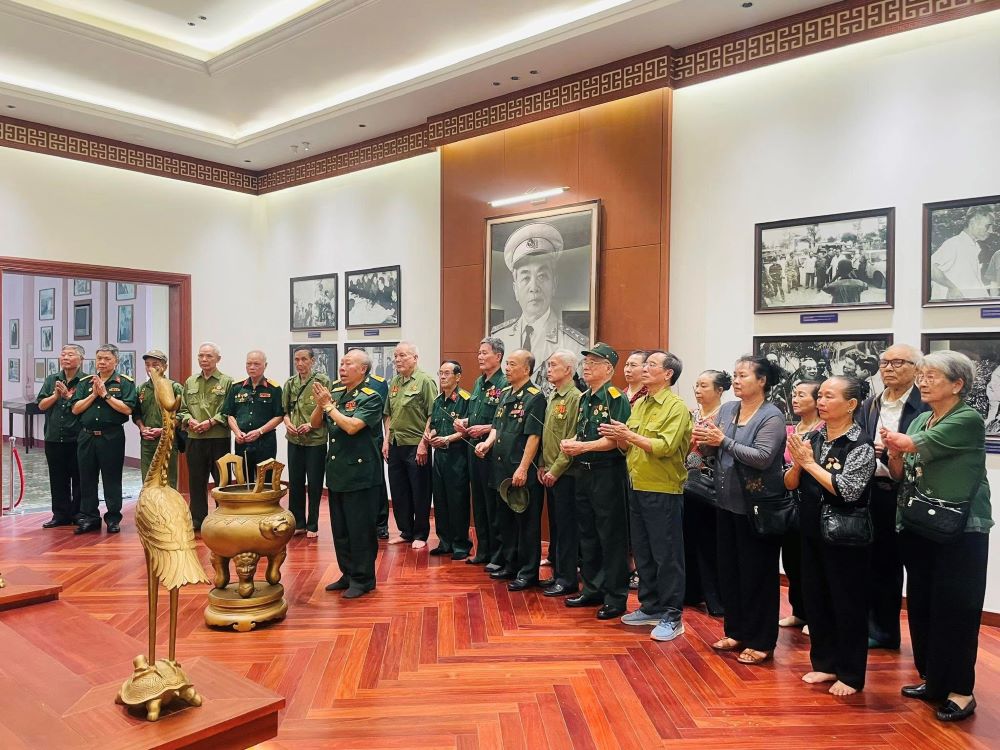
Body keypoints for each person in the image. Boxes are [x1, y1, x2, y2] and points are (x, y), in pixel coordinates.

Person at [881, 350, 993, 722]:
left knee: (957, 610)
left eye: (932, 376)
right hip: (920, 524)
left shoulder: (967, 418)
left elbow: (911, 447)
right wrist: (894, 454)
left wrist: (896, 443)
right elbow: (900, 470)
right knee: (924, 605)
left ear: (957, 384)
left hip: (961, 528)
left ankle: (961, 691)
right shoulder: (921, 420)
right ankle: (933, 680)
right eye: (923, 375)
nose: (923, 381)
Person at [692, 355, 786, 665]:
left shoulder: (771, 415)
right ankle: (735, 630)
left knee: (757, 576)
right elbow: (713, 450)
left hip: (756, 508)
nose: (736, 380)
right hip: (725, 503)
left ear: (762, 381)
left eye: (743, 375)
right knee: (730, 571)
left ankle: (761, 640)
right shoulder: (729, 409)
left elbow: (761, 456)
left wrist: (722, 441)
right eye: (734, 374)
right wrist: (704, 441)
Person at [785, 377, 875, 696]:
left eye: (829, 396)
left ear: (851, 405)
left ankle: (850, 675)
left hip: (845, 537)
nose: (820, 401)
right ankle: (824, 664)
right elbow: (791, 484)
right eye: (819, 395)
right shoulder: (813, 437)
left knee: (847, 604)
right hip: (810, 531)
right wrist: (798, 463)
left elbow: (848, 490)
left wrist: (808, 463)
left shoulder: (860, 444)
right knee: (816, 599)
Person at [601, 351, 692, 641]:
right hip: (636, 484)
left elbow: (664, 446)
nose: (645, 368)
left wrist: (629, 436)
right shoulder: (639, 404)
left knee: (667, 555)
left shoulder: (676, 407)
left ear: (668, 374)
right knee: (643, 551)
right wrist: (618, 436)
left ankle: (672, 615)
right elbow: (629, 447)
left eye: (652, 364)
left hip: (662, 488)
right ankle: (650, 605)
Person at [856, 344, 926, 650]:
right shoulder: (872, 403)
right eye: (885, 363)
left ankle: (912, 639)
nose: (889, 368)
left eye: (898, 362)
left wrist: (895, 452)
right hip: (873, 491)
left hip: (908, 493)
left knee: (909, 564)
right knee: (877, 564)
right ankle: (881, 630)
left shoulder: (923, 404)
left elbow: (927, 446)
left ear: (915, 368)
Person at [559, 343, 631, 620]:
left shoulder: (615, 398)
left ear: (608, 369)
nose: (586, 366)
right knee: (587, 534)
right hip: (583, 472)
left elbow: (615, 440)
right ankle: (592, 588)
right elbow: (585, 433)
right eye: (585, 361)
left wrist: (583, 447)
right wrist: (573, 443)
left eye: (594, 362)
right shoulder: (586, 398)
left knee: (611, 536)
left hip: (607, 473)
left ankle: (615, 596)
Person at [310, 350, 384, 599]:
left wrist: (328, 406)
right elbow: (315, 424)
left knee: (360, 529)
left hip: (362, 473)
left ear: (362, 370)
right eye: (341, 363)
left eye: (348, 364)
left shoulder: (371, 397)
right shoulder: (336, 392)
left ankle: (364, 579)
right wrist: (322, 406)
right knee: (340, 529)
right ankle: (348, 573)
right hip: (338, 472)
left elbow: (352, 427)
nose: (342, 367)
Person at [474, 349, 546, 589]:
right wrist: (487, 443)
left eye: (512, 364)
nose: (507, 368)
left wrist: (524, 468)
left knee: (525, 524)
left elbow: (534, 437)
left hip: (519, 471)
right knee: (504, 521)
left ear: (526, 369)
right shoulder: (505, 393)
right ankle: (510, 564)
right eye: (507, 363)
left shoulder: (535, 397)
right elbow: (497, 425)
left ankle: (528, 572)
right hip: (500, 468)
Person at [491, 223, 588, 394]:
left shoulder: (574, 345)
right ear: (515, 288)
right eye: (525, 277)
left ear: (554, 284)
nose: (533, 287)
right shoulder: (499, 337)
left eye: (542, 276)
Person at [70, 344, 137, 534]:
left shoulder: (124, 382)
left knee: (112, 478)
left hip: (111, 436)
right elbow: (75, 409)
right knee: (87, 478)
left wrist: (106, 395)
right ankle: (89, 517)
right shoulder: (85, 382)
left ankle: (113, 518)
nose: (102, 362)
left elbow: (127, 409)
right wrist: (93, 394)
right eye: (99, 358)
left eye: (107, 359)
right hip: (87, 436)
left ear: (116, 360)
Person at [454, 337, 508, 568]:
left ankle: (497, 555)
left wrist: (485, 429)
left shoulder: (504, 383)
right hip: (473, 451)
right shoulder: (478, 382)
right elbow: (477, 414)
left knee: (493, 505)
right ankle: (483, 550)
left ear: (498, 356)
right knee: (479, 504)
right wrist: (465, 422)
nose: (480, 357)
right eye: (479, 352)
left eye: (485, 353)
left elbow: (503, 421)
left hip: (493, 452)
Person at [683, 369, 729, 617]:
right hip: (686, 483)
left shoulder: (724, 416)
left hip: (710, 486)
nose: (698, 390)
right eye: (696, 385)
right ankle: (691, 592)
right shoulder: (691, 413)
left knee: (709, 543)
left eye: (704, 386)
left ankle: (716, 599)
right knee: (688, 539)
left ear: (719, 390)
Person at [383, 342, 437, 549]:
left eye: (403, 356)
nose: (398, 360)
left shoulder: (425, 381)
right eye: (396, 356)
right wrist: (387, 440)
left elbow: (433, 414)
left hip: (416, 445)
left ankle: (420, 534)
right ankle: (405, 531)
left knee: (420, 491)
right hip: (396, 444)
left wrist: (425, 444)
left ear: (415, 358)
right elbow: (388, 414)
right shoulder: (395, 382)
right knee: (399, 490)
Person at [778, 380, 823, 631]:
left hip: (814, 500)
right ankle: (799, 611)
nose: (795, 399)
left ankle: (816, 617)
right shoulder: (791, 428)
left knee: (812, 563)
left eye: (801, 395)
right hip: (790, 500)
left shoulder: (823, 429)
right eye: (794, 394)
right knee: (793, 560)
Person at [537, 350, 582, 596]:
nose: (549, 369)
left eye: (553, 365)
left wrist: (554, 469)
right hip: (551, 471)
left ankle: (567, 579)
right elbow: (548, 436)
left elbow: (572, 438)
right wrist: (543, 464)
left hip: (567, 473)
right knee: (556, 526)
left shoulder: (575, 398)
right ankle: (557, 573)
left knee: (566, 529)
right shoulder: (554, 395)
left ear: (568, 370)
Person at [178, 342, 233, 532]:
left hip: (219, 438)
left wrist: (211, 422)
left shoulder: (227, 382)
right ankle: (198, 520)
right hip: (194, 439)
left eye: (209, 356)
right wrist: (189, 420)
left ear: (218, 359)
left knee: (222, 481)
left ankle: (222, 517)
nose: (204, 359)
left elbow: (228, 410)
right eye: (201, 356)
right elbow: (182, 409)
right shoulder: (190, 381)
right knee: (196, 481)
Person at [425, 360, 472, 559]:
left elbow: (468, 431)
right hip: (439, 457)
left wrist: (446, 439)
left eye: (447, 373)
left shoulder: (466, 399)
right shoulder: (438, 400)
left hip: (457, 456)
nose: (442, 377)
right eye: (440, 373)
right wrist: (428, 435)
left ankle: (460, 545)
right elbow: (435, 424)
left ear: (458, 376)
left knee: (457, 500)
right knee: (441, 500)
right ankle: (445, 542)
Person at [283, 346, 331, 539]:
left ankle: (313, 524)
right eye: (297, 360)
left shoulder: (323, 381)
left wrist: (310, 426)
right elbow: (284, 411)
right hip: (294, 439)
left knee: (314, 483)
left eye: (304, 359)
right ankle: (298, 523)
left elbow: (328, 409)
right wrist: (288, 424)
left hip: (315, 440)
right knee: (295, 482)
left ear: (312, 361)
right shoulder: (290, 383)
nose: (300, 363)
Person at [36, 344, 85, 528]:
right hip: (54, 437)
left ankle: (79, 514)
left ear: (81, 359)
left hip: (78, 437)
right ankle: (60, 514)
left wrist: (67, 397)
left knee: (79, 478)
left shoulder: (85, 381)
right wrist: (56, 395)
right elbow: (41, 405)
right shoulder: (52, 379)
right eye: (63, 354)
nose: (65, 358)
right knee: (57, 478)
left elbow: (83, 406)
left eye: (70, 355)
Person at [223, 350, 284, 473]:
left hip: (265, 441)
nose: (252, 367)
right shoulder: (237, 387)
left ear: (265, 365)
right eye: (248, 364)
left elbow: (279, 416)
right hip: (242, 440)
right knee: (244, 480)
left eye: (256, 364)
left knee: (266, 481)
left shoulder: (274, 388)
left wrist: (260, 431)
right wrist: (237, 432)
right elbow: (229, 414)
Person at [133, 349, 183, 489]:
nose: (151, 368)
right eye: (147, 364)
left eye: (155, 364)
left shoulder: (174, 387)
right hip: (147, 442)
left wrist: (163, 430)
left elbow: (183, 413)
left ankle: (169, 510)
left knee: (167, 479)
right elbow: (136, 413)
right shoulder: (141, 389)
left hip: (168, 440)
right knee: (148, 479)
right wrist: (142, 428)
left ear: (164, 366)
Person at [930, 206, 994, 300]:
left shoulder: (974, 247)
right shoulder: (955, 244)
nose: (991, 231)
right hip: (953, 311)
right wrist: (951, 287)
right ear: (973, 223)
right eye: (988, 226)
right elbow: (930, 268)